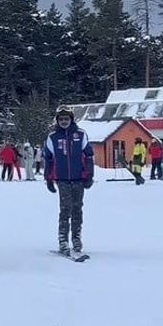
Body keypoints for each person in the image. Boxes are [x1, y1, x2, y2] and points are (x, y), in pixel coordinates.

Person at [42, 109, 94, 256]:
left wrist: (90, 175)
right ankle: (63, 240)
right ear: (57, 121)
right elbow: (49, 159)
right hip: (62, 178)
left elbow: (89, 155)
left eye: (66, 119)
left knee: (77, 208)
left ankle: (76, 238)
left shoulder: (80, 134)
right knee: (65, 209)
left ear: (71, 120)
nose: (64, 122)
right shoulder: (52, 137)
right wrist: (48, 179)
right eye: (61, 119)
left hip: (79, 177)